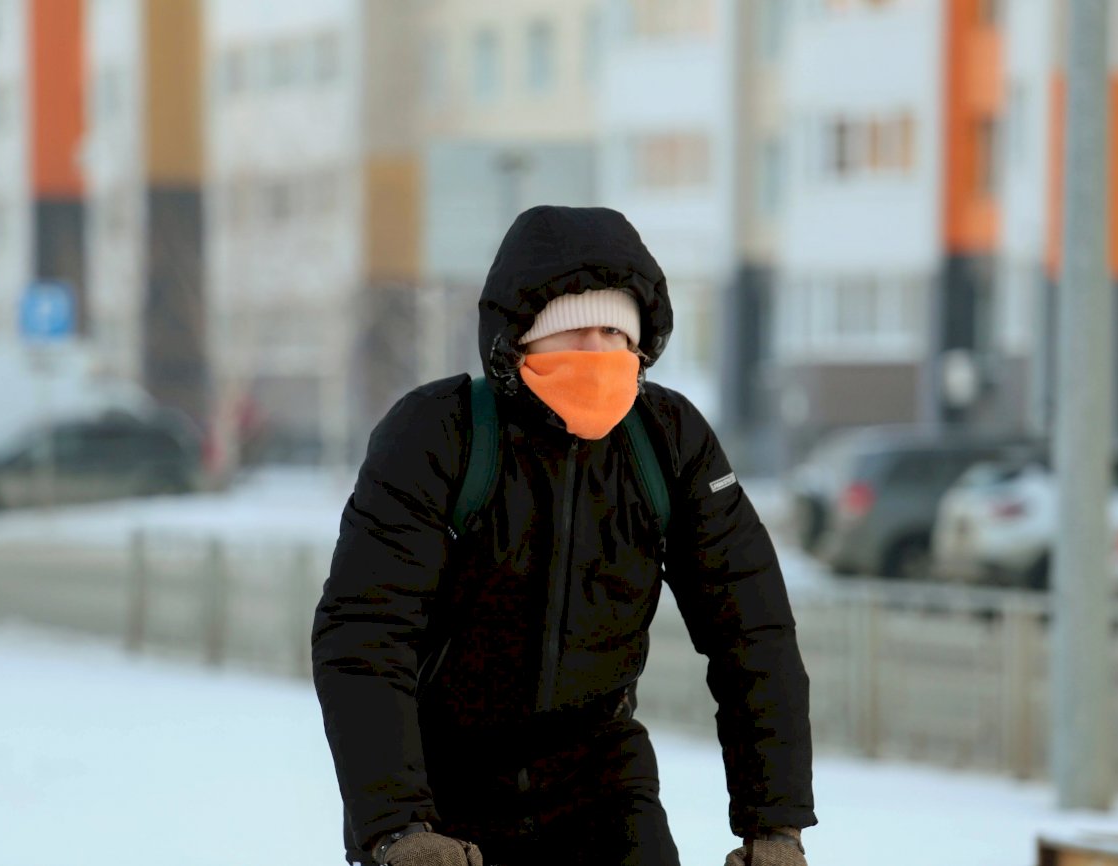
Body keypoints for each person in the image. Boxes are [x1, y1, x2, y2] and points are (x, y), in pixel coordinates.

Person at [312, 205, 815, 866]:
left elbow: (751, 631)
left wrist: (774, 822)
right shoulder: (437, 436)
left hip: (600, 783)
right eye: (574, 332)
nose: (598, 353)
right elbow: (365, 633)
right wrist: (397, 826)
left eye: (615, 331)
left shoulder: (669, 443)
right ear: (518, 341)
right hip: (441, 790)